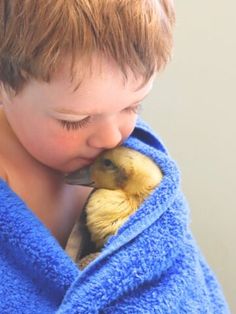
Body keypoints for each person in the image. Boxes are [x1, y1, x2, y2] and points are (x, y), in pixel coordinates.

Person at [0, 1, 229, 313]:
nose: (112, 137)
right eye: (74, 121)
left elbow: (181, 288)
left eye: (133, 106)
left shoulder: (136, 170)